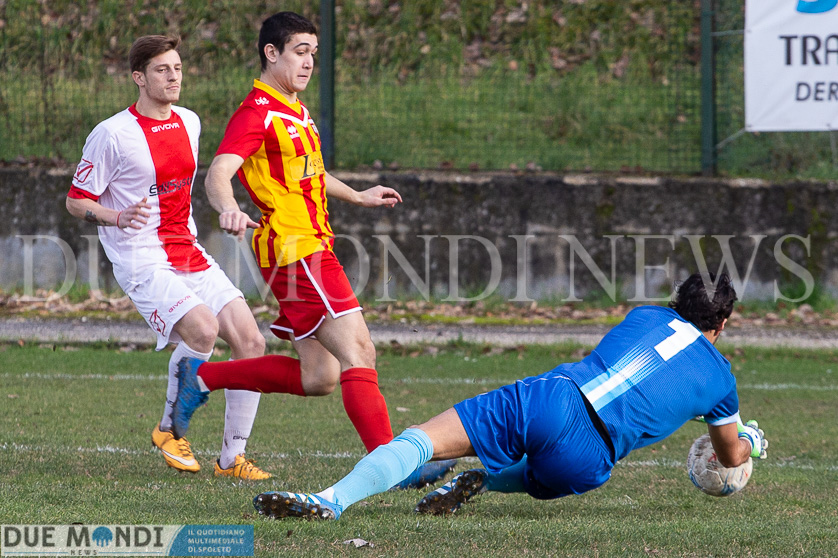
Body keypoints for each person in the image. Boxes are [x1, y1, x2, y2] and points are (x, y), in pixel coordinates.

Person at [169, 11, 455, 488]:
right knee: (359, 350)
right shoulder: (256, 113)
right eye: (300, 52)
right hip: (296, 249)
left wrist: (358, 195)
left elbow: (311, 173)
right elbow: (218, 172)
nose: (308, 63)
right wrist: (228, 208)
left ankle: (200, 378)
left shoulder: (294, 109)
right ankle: (396, 466)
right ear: (271, 53)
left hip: (305, 247)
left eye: (313, 54)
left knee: (319, 376)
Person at [246, 272, 769, 520]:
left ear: (675, 302)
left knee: (421, 439)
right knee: (545, 474)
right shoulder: (720, 379)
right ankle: (489, 480)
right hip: (590, 461)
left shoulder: (645, 314)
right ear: (723, 323)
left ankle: (331, 501)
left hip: (555, 399)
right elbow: (730, 455)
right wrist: (752, 442)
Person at [66, 35, 271, 480]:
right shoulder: (112, 134)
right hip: (140, 257)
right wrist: (117, 217)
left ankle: (231, 459)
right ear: (139, 78)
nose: (173, 76)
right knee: (203, 329)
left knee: (251, 342)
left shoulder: (190, 122)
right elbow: (76, 201)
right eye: (162, 70)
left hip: (187, 249)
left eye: (177, 68)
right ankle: (168, 430)